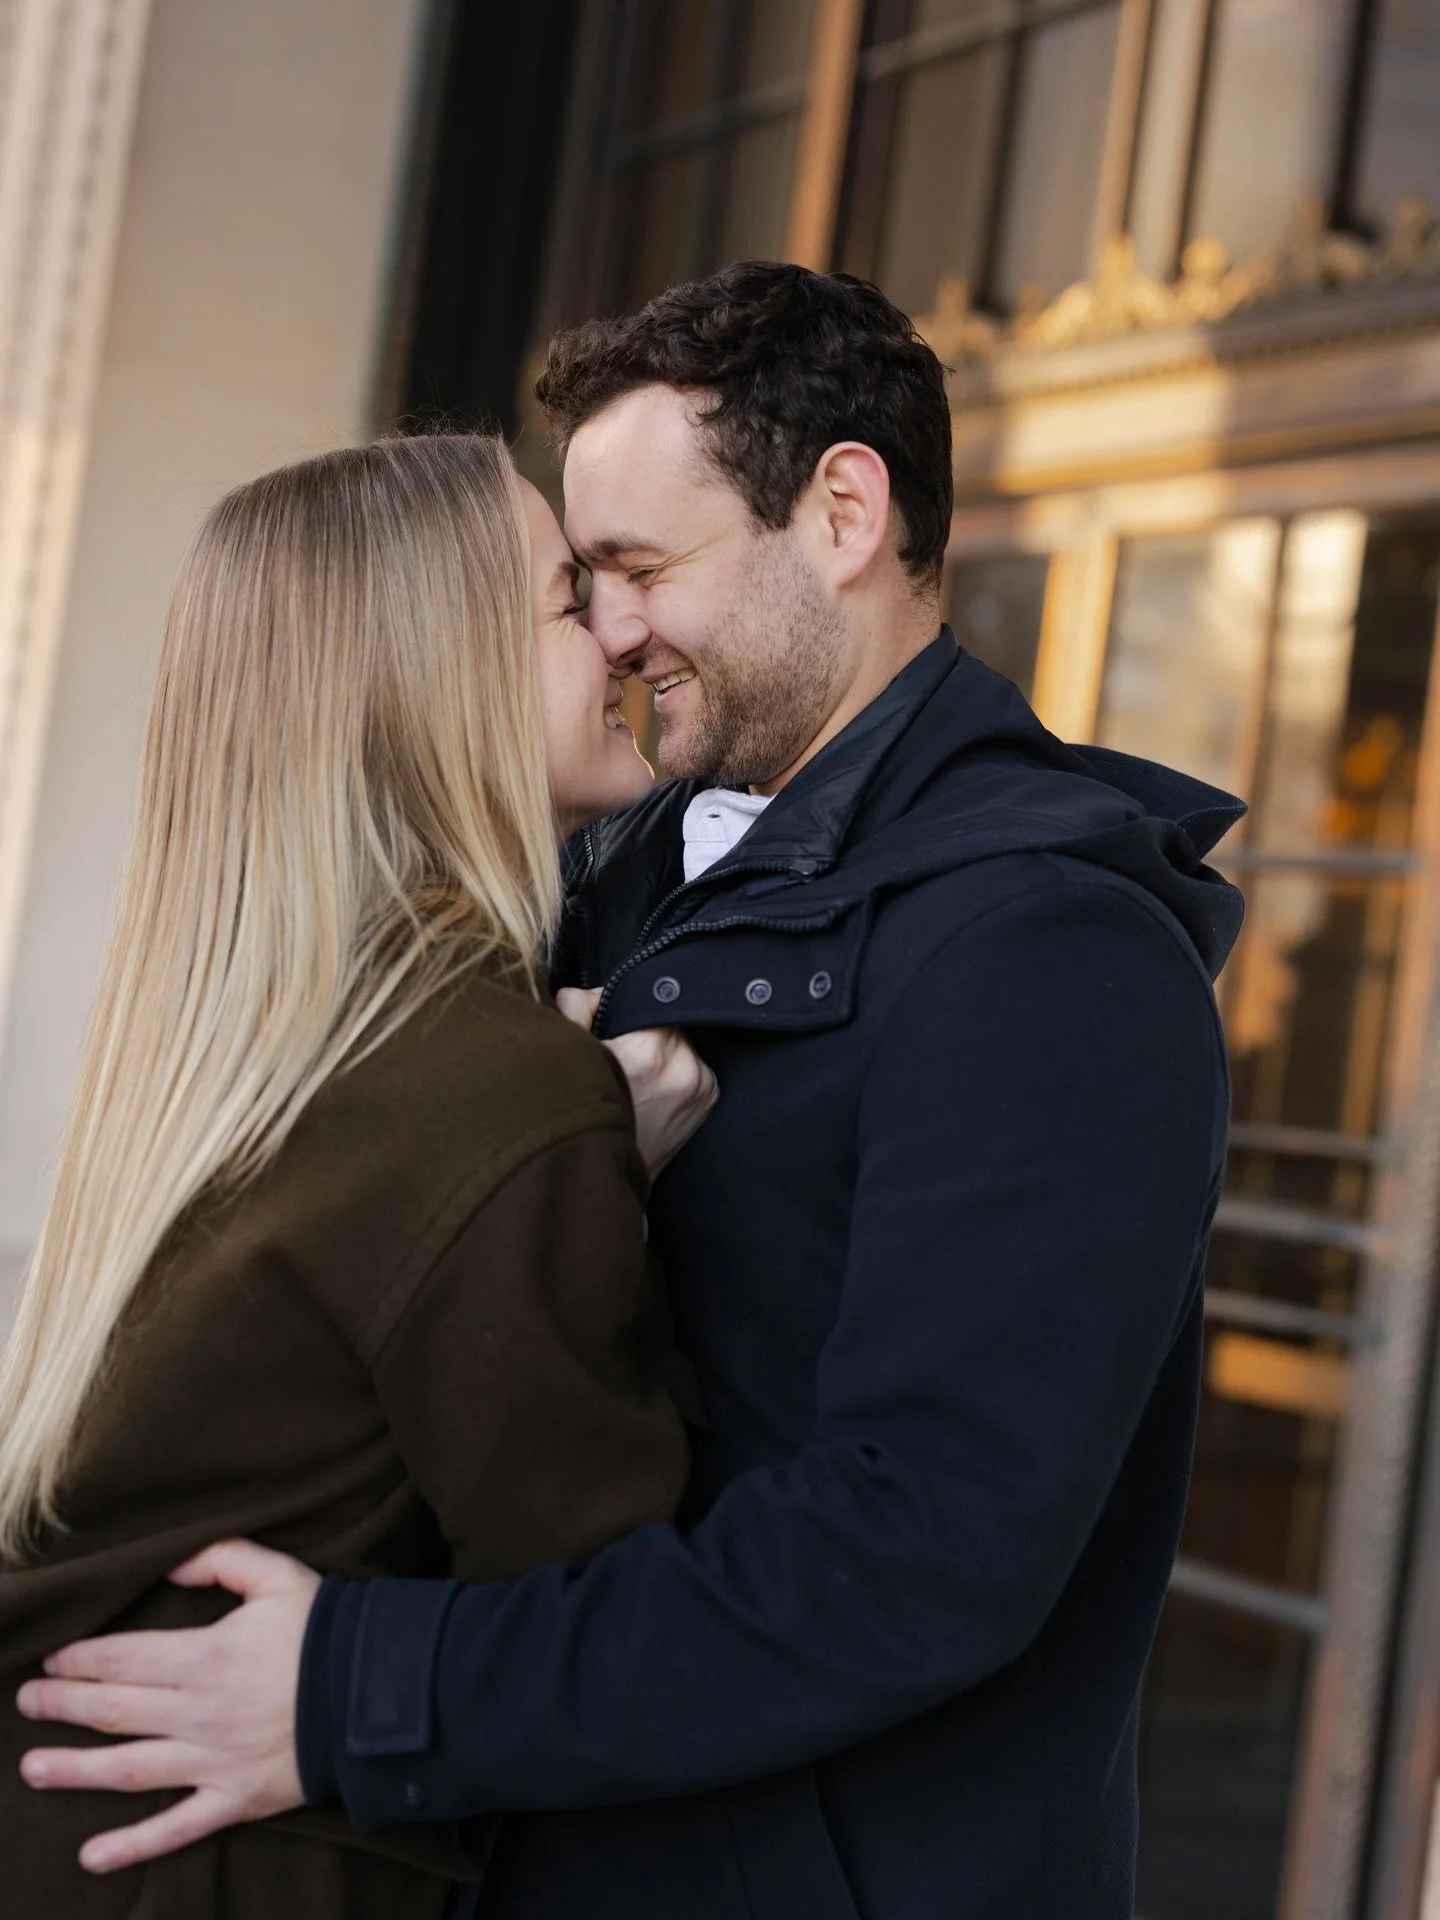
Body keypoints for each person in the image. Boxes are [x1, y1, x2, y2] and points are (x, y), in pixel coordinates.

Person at [18, 265, 1245, 1919]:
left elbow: (925, 1555)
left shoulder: (1045, 945)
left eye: (641, 570)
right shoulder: (594, 875)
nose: (608, 630)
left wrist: (359, 1692)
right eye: (580, 585)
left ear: (844, 514)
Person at [0, 432, 718, 1917]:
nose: (621, 632)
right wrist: (606, 1184)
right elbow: (608, 1623)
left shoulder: (263, 1036)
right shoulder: (491, 1089)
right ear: (438, 676)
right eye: (569, 595)